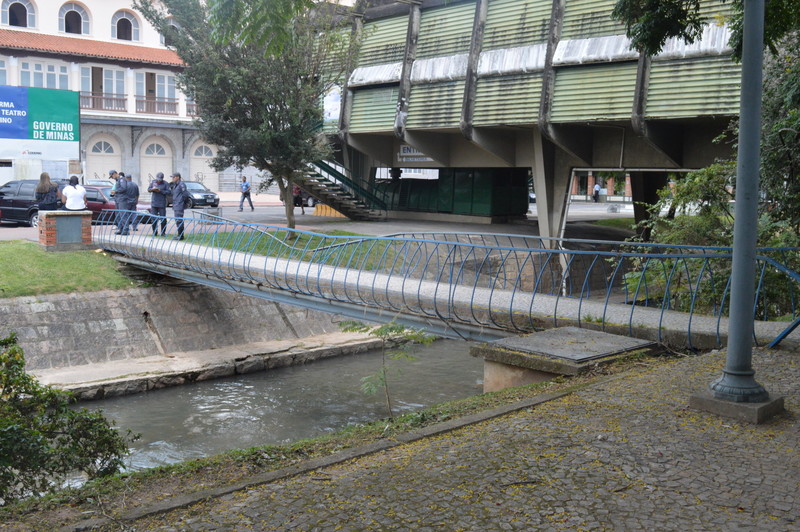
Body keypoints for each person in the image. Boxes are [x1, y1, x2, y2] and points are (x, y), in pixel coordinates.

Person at [148, 172, 170, 236]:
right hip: (154, 203)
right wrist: (152, 189)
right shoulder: (153, 182)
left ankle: (163, 232)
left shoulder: (166, 183)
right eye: (158, 179)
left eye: (160, 179)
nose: (159, 180)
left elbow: (168, 192)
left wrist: (160, 191)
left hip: (162, 203)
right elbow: (148, 189)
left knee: (163, 219)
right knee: (153, 219)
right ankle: (154, 232)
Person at [170, 172, 188, 240]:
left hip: (179, 205)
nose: (172, 178)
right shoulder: (175, 185)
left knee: (179, 220)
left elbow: (185, 195)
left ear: (177, 177)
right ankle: (179, 235)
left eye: (173, 177)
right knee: (177, 220)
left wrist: (181, 202)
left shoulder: (181, 184)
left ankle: (181, 236)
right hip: (175, 205)